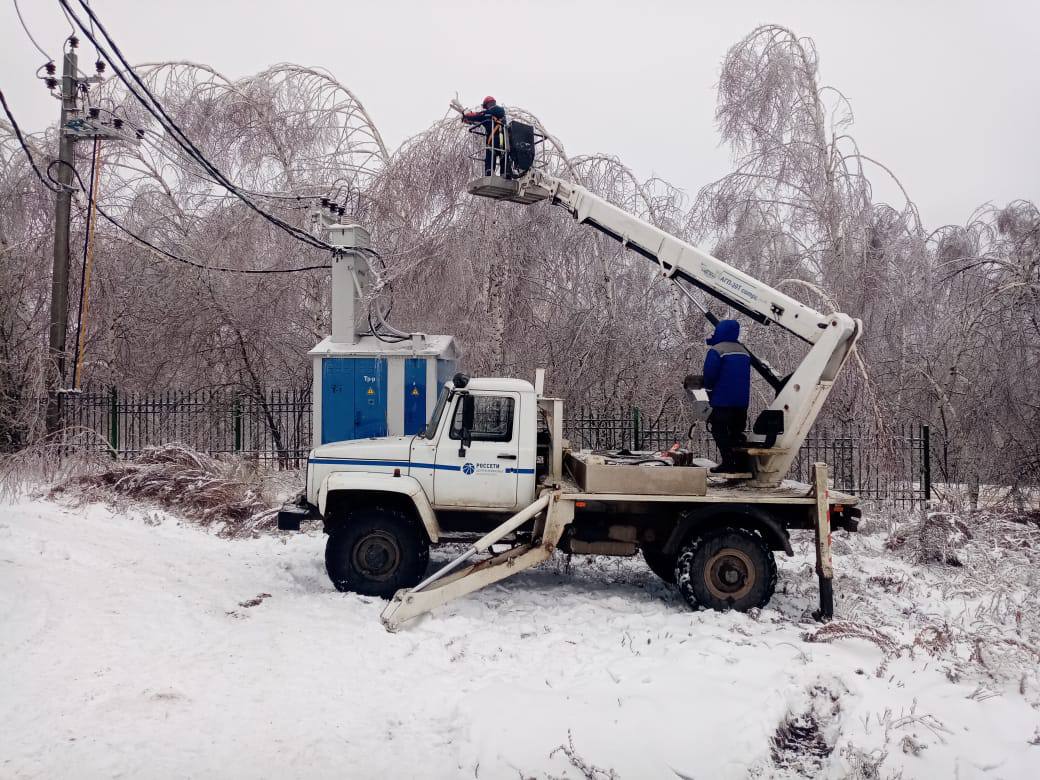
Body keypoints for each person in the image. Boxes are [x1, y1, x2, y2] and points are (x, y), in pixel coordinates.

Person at [702, 319, 751, 473]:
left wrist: (708, 391)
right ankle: (742, 464)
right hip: (741, 402)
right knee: (736, 432)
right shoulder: (744, 351)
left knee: (719, 430)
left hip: (722, 400)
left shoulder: (717, 350)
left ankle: (728, 462)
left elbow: (710, 374)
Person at [462, 96, 507, 177]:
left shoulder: (490, 112)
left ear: (487, 105)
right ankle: (506, 174)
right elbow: (482, 122)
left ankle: (489, 174)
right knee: (504, 157)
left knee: (490, 156)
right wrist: (470, 122)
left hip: (495, 140)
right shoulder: (499, 114)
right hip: (505, 141)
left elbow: (478, 116)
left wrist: (466, 113)